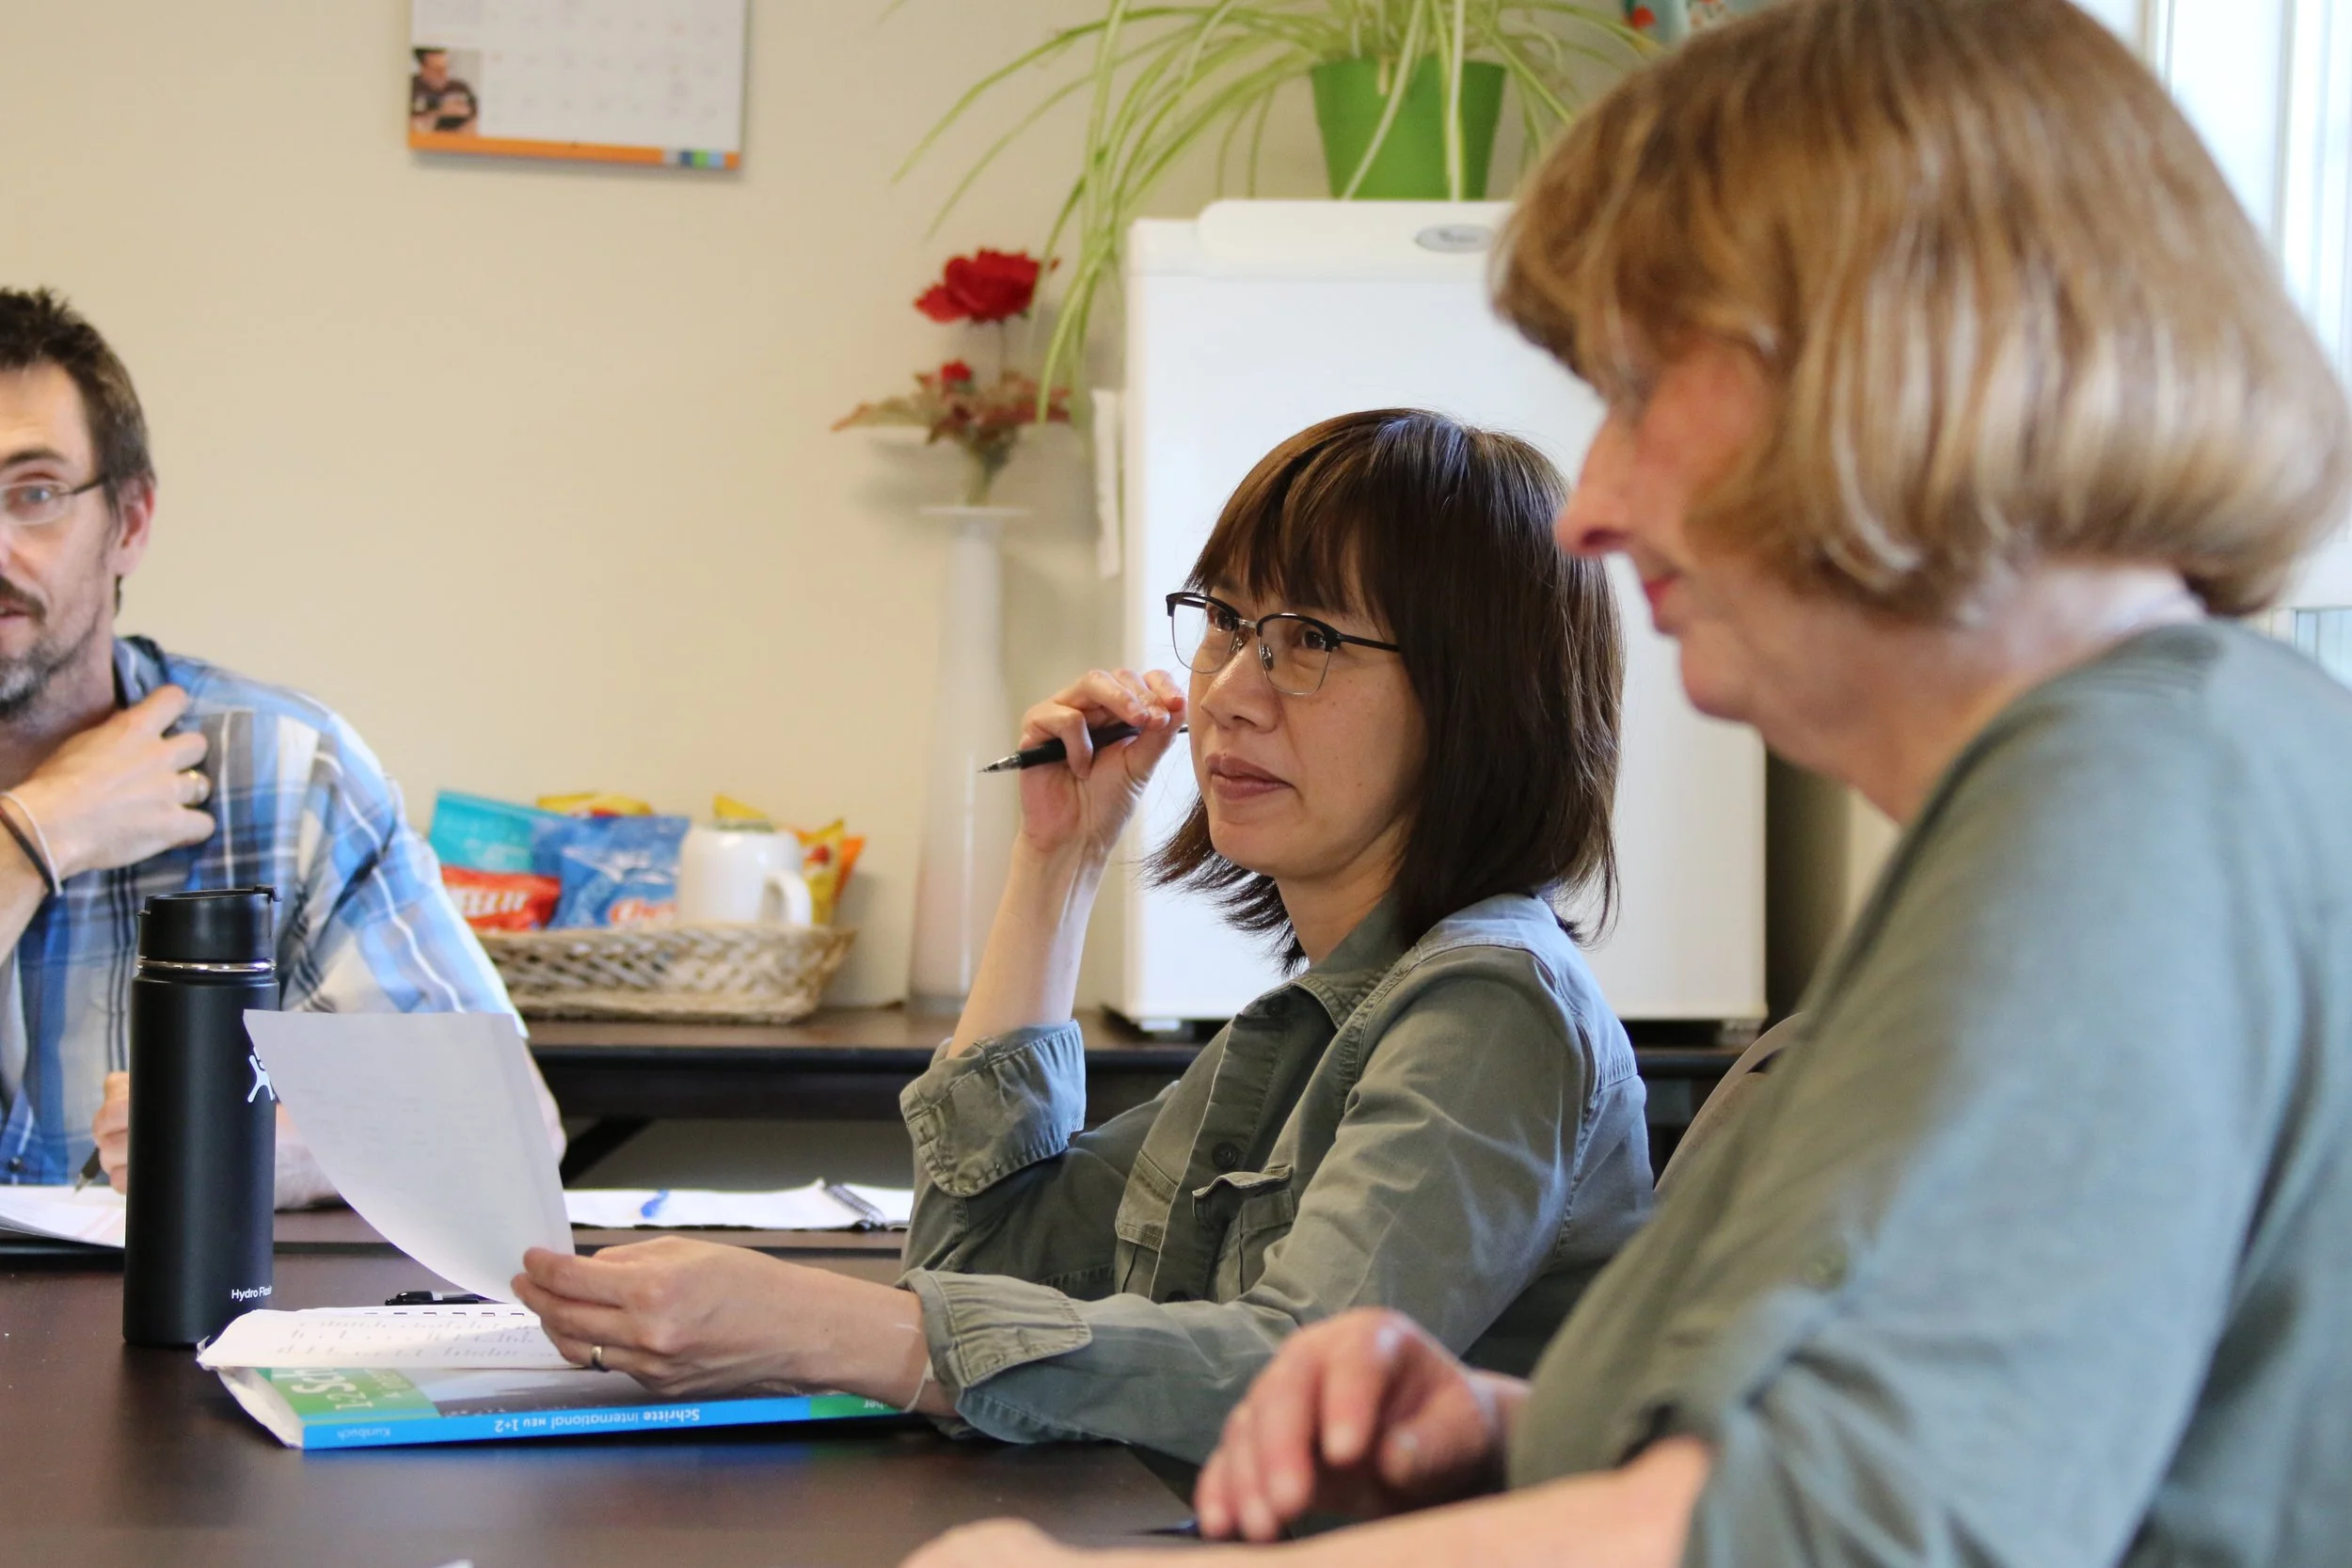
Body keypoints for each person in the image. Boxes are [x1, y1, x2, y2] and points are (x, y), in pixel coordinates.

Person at [897, 0, 2352, 1562]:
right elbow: (1981, 1438)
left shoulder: (2130, 812)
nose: (1591, 509)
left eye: (1643, 393)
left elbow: (1840, 1531)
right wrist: (1517, 1435)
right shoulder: (2129, 779)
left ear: (1900, 364)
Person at [515, 409, 1651, 1464]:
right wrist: (1057, 861)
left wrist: (818, 1321)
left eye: (1308, 638)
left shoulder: (1493, 1005)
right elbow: (977, 1265)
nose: (1230, 693)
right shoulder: (1323, 1016)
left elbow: (1296, 1382)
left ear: (1477, 700)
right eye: (1225, 623)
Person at [0, 286, 559, 1205]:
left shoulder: (285, 771)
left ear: (129, 523)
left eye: (36, 493)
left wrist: (242, 1139)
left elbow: (507, 1125)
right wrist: (36, 834)